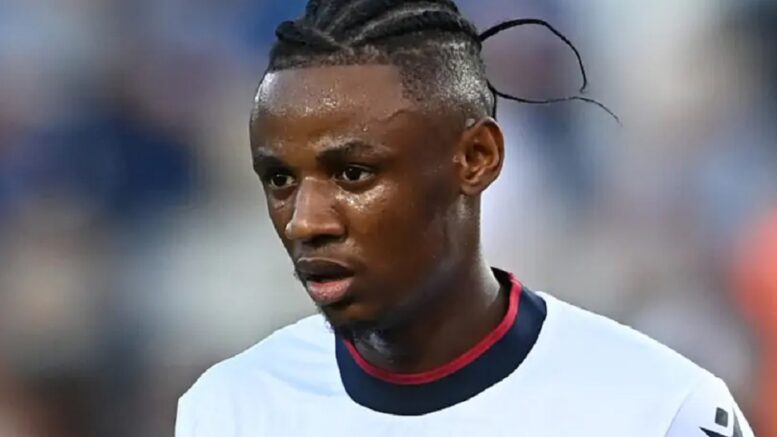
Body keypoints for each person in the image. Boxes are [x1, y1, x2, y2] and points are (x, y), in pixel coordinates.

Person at [176, 1, 755, 435]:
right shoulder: (228, 409)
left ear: (476, 158)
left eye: (353, 173)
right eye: (280, 179)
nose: (305, 222)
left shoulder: (660, 410)